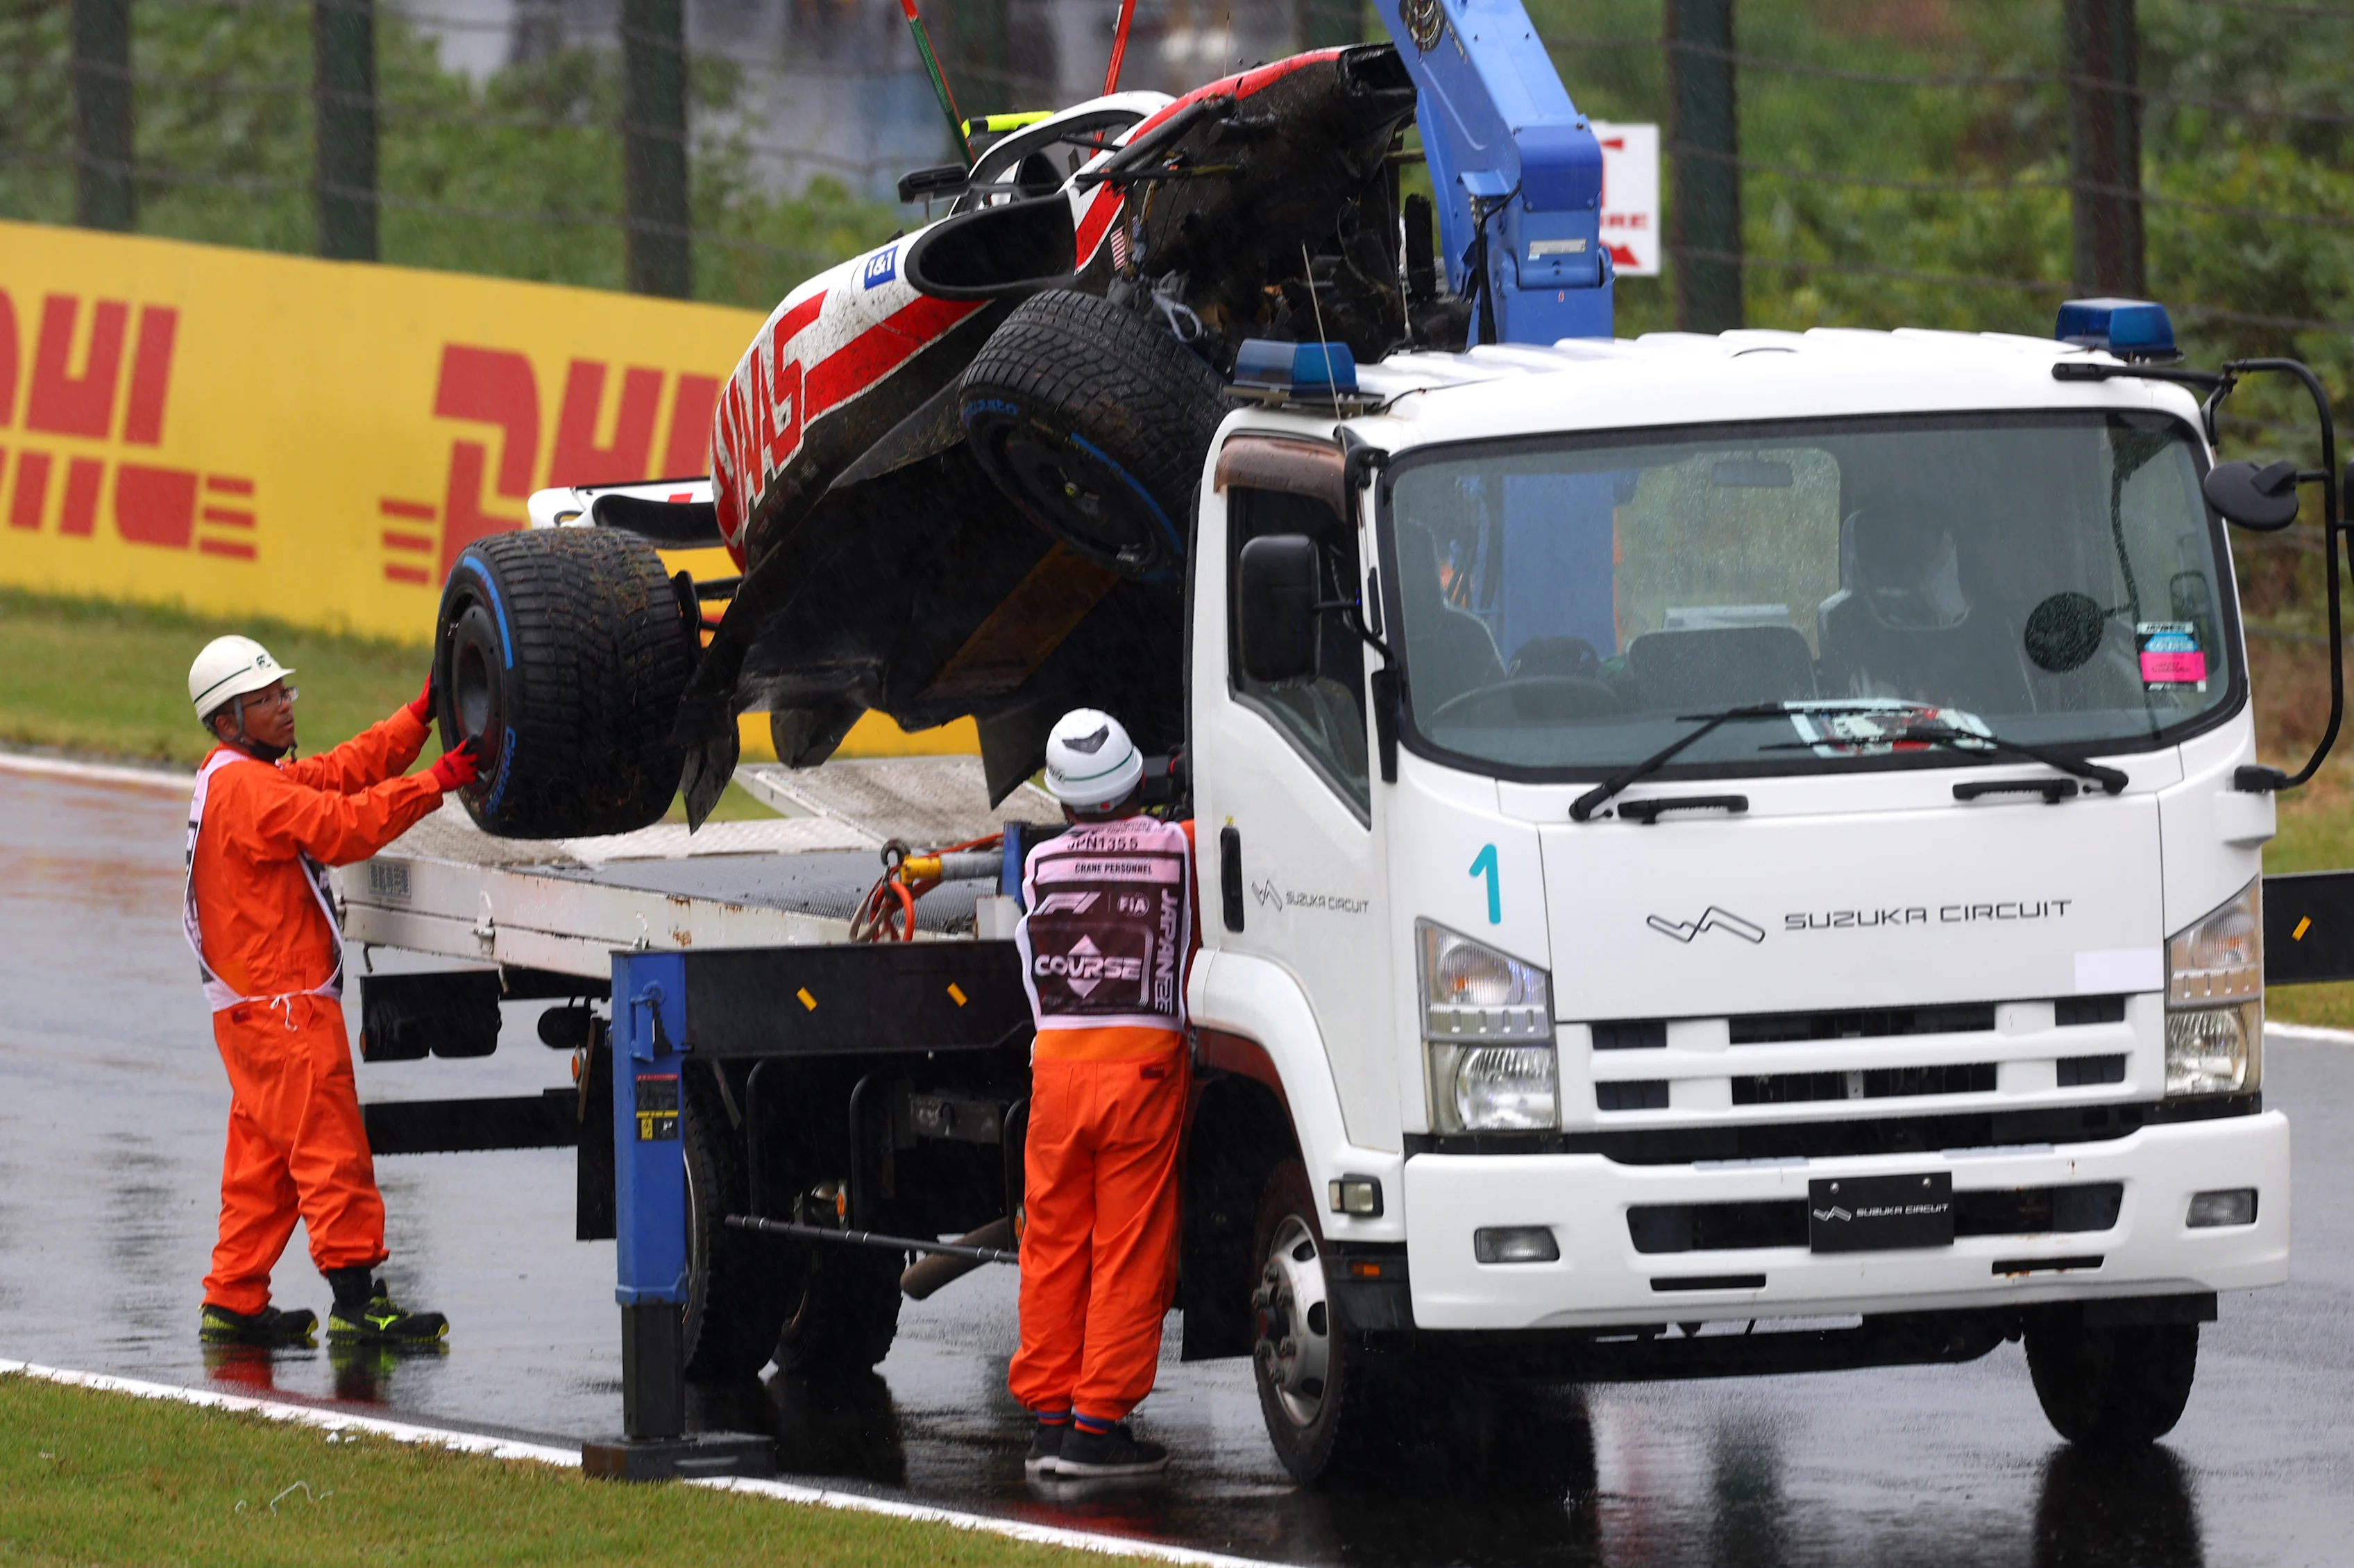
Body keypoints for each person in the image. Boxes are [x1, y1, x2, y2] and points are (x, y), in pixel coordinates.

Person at [184, 634, 481, 1348]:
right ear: (228, 718)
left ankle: (232, 1299)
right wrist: (438, 780)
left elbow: (339, 773)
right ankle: (358, 1301)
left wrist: (417, 717)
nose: (285, 705)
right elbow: (345, 827)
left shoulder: (231, 776)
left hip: (252, 1011)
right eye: (266, 699)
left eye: (284, 691)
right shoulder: (250, 789)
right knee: (330, 1153)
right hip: (285, 1009)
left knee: (262, 1163)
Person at [1010, 708, 1195, 1480]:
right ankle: (1096, 1429)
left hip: (1055, 1067)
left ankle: (1050, 1422)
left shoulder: (1039, 866)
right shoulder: (1173, 847)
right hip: (1141, 1069)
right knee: (1126, 1248)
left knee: (1051, 1245)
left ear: (1060, 800)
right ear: (1134, 781)